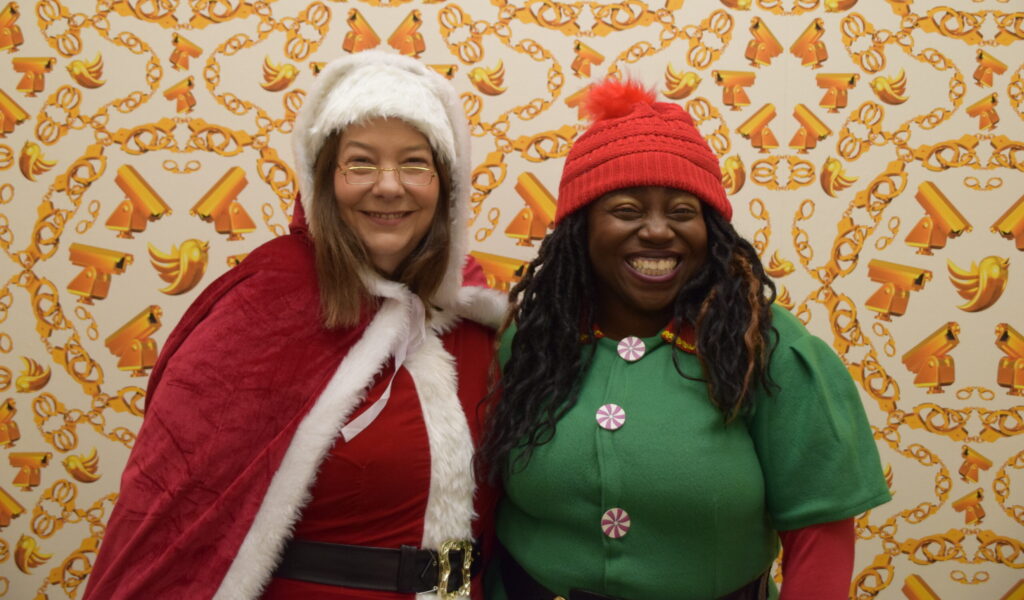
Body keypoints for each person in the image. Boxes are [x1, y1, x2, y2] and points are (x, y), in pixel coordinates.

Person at [83, 50, 506, 600]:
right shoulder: (258, 317)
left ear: (445, 185)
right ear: (322, 181)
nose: (388, 185)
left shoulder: (477, 324)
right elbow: (173, 522)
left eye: (414, 163)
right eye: (360, 163)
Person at [480, 77, 891, 600]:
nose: (657, 230)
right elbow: (479, 508)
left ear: (711, 233)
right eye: (627, 210)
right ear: (580, 229)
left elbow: (820, 539)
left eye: (681, 212)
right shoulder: (531, 341)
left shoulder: (764, 346)